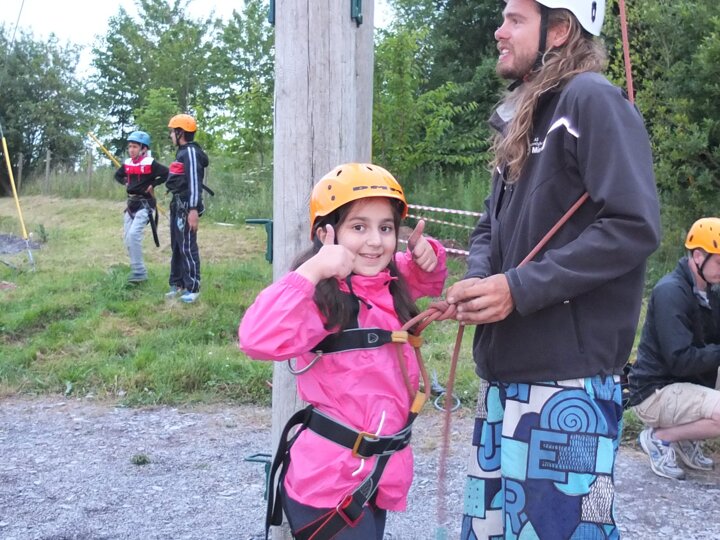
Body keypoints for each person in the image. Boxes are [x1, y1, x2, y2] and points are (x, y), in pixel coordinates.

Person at [444, 0, 661, 537]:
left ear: (560, 29)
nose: (499, 31)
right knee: (492, 530)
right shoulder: (523, 113)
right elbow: (489, 226)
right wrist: (478, 279)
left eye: (515, 20)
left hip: (567, 387)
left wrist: (518, 289)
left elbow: (633, 226)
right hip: (504, 377)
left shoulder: (593, 101)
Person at [238, 163, 447, 539]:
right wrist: (312, 271)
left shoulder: (387, 283)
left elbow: (426, 278)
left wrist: (427, 254)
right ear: (326, 234)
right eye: (359, 227)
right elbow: (256, 337)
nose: (375, 241)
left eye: (386, 228)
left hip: (375, 476)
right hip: (328, 484)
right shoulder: (321, 299)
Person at [628, 217, 720, 481]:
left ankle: (687, 437)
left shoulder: (711, 292)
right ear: (698, 256)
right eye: (719, 262)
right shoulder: (671, 292)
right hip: (654, 393)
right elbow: (680, 360)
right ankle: (660, 437)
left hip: (683, 384)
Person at [165, 114, 209, 303]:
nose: (170, 136)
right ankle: (179, 284)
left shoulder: (190, 152)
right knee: (177, 245)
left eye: (172, 132)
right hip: (178, 205)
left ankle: (192, 288)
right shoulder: (182, 152)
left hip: (186, 207)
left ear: (180, 132)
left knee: (187, 246)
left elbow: (194, 182)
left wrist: (193, 210)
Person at [113, 130, 168, 283]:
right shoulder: (128, 163)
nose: (131, 150)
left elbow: (166, 173)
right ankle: (135, 270)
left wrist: (153, 184)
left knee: (133, 235)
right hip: (131, 204)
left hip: (145, 204)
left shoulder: (150, 163)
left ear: (144, 149)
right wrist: (126, 182)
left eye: (135, 147)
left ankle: (139, 272)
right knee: (127, 238)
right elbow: (118, 175)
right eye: (130, 146)